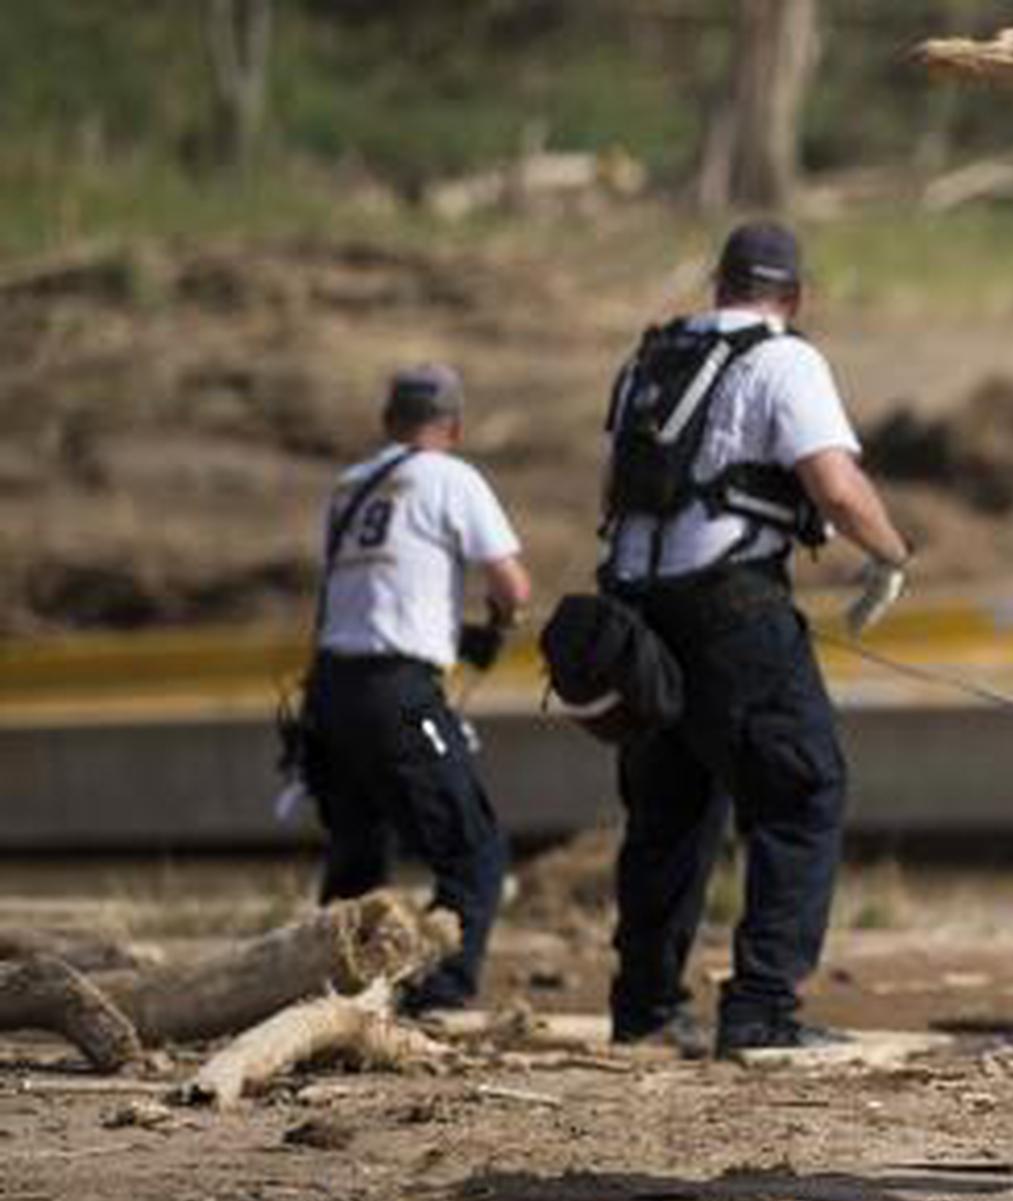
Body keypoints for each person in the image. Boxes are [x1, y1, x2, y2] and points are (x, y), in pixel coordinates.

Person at [598, 220, 912, 1059]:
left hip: (636, 616)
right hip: (731, 610)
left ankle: (645, 1012)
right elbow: (836, 488)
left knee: (668, 812)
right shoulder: (785, 359)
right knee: (804, 793)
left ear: (718, 283)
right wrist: (890, 556)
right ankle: (763, 1010)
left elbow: (619, 488)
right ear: (795, 295)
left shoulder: (649, 363)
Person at [305, 363, 531, 1013]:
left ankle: (325, 988)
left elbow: (375, 596)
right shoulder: (451, 477)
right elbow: (512, 587)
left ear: (387, 423)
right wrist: (498, 625)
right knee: (475, 854)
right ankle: (441, 993)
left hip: (330, 690)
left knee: (357, 854)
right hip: (398, 692)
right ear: (453, 428)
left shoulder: (350, 486)